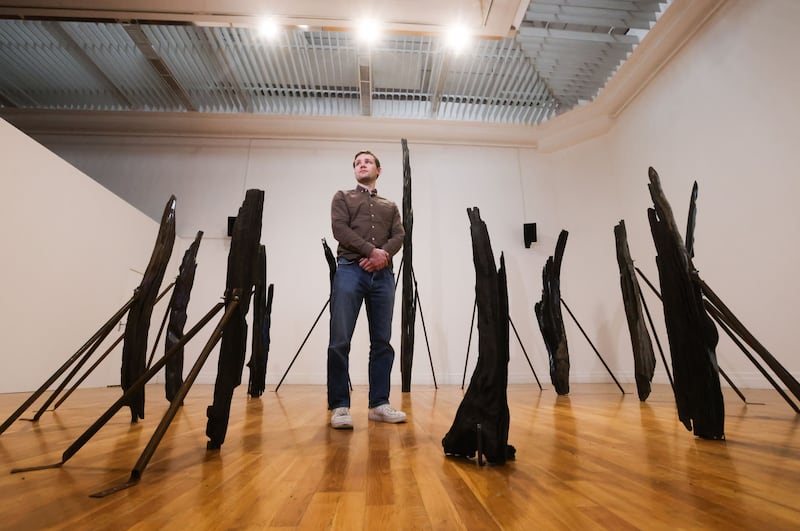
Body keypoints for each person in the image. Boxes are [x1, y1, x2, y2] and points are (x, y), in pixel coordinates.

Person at [327, 150, 407, 429]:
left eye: (368, 161)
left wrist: (382, 256)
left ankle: (379, 404)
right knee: (340, 340)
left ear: (378, 170)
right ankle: (339, 406)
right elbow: (339, 229)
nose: (362, 164)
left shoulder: (390, 205)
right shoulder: (342, 197)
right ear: (355, 171)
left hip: (383, 276)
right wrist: (371, 251)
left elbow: (400, 235)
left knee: (382, 342)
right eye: (358, 162)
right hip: (350, 270)